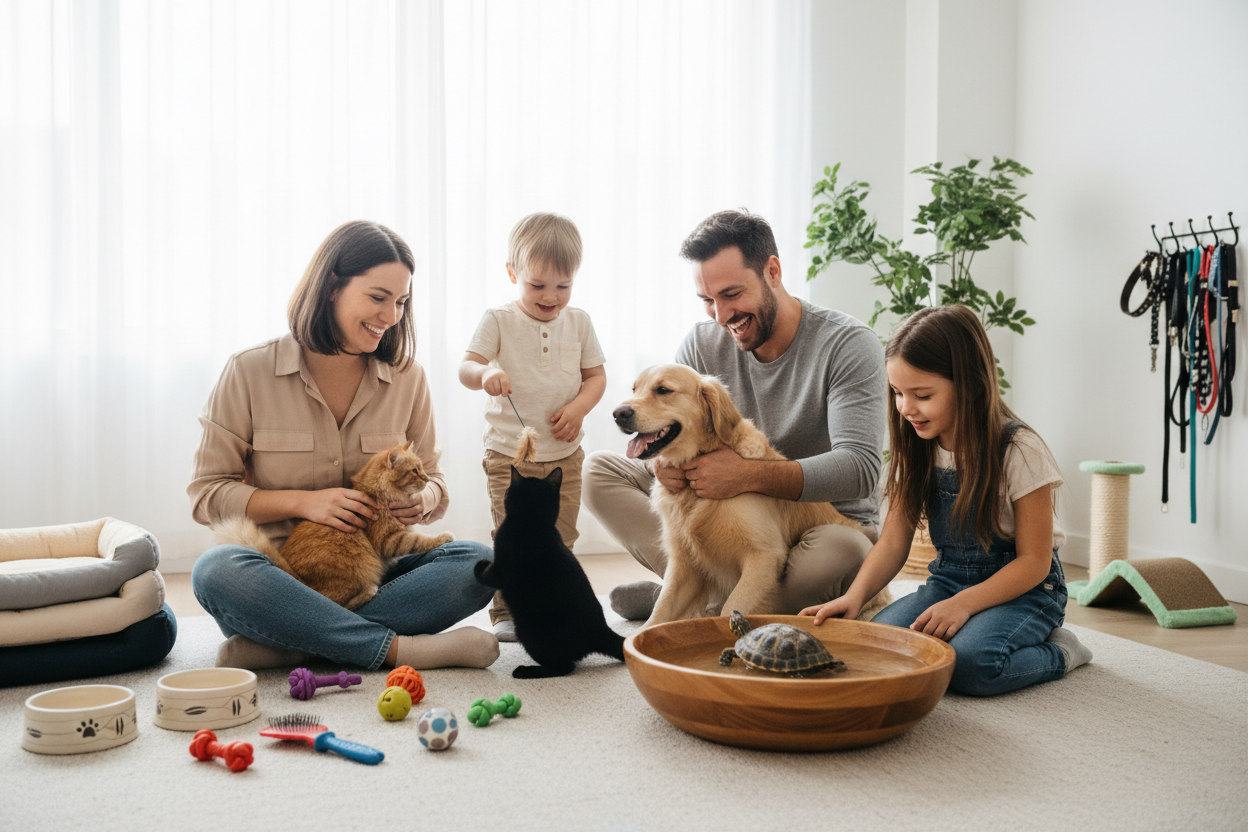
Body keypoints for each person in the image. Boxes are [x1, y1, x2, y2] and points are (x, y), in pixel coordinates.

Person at [189, 220, 499, 671]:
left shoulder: (408, 378)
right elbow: (207, 497)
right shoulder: (248, 372)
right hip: (282, 580)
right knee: (215, 570)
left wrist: (424, 501)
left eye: (400, 302)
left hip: (377, 572)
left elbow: (434, 482)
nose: (391, 316)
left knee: (479, 562)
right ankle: (397, 650)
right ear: (332, 286)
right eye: (378, 298)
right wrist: (306, 503)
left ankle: (292, 646)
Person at [583, 209, 887, 619]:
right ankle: (705, 591)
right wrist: (662, 469)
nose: (721, 315)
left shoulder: (848, 345)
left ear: (773, 272)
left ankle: (704, 602)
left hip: (821, 532)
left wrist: (747, 474)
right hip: (719, 516)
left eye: (731, 295)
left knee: (847, 549)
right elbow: (671, 426)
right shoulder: (702, 343)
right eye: (707, 300)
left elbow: (859, 469)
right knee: (600, 471)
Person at [801, 304, 1093, 695]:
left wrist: (965, 605)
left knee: (972, 666)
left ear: (969, 384)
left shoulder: (1019, 449)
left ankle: (1061, 651)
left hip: (1027, 590)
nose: (906, 408)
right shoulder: (919, 446)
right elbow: (892, 542)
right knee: (877, 646)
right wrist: (853, 598)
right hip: (949, 580)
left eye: (921, 395)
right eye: (898, 393)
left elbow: (1035, 562)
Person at [459, 212, 606, 641]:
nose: (551, 296)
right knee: (511, 538)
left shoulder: (579, 322)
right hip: (509, 454)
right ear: (512, 274)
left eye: (563, 286)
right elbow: (467, 367)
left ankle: (557, 603)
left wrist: (579, 407)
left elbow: (596, 377)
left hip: (565, 456)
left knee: (561, 536)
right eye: (537, 285)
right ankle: (506, 610)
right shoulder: (499, 320)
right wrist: (485, 375)